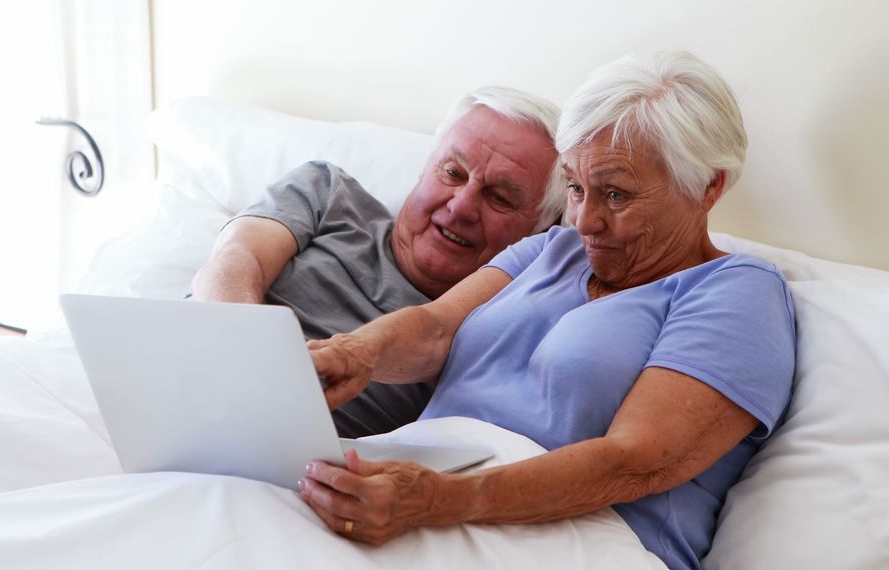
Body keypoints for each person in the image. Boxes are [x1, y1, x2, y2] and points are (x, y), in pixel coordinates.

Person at [300, 52, 796, 570]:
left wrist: (440, 500)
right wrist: (358, 351)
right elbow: (436, 328)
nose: (584, 220)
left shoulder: (736, 293)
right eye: (576, 188)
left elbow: (635, 464)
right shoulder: (548, 250)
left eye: (616, 194)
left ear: (708, 186)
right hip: (421, 490)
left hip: (581, 534)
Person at [191, 87, 565, 438]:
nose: (461, 206)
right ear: (425, 168)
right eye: (452, 173)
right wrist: (242, 348)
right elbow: (238, 257)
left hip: (280, 457)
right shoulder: (329, 192)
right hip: (189, 368)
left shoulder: (497, 325)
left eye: (499, 197)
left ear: (539, 230)